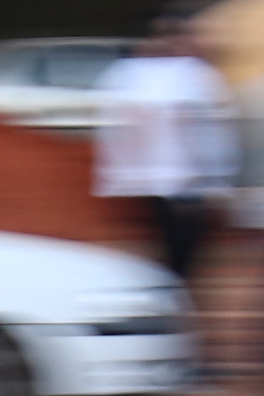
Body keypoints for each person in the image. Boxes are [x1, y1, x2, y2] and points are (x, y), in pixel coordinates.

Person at [91, 17, 239, 294]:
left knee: (168, 245)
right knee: (179, 247)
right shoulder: (193, 75)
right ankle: (174, 290)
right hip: (182, 179)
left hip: (158, 179)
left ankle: (169, 289)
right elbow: (214, 129)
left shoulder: (130, 74)